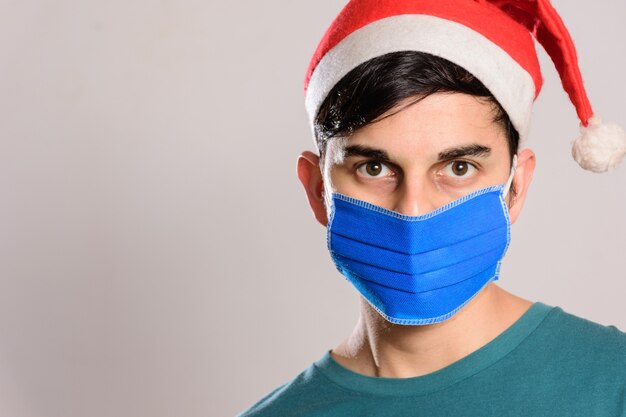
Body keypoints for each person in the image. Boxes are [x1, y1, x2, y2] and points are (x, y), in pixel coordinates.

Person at [238, 0, 626, 415]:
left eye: (459, 167)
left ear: (517, 186)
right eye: (374, 167)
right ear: (318, 189)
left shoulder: (613, 383)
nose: (414, 210)